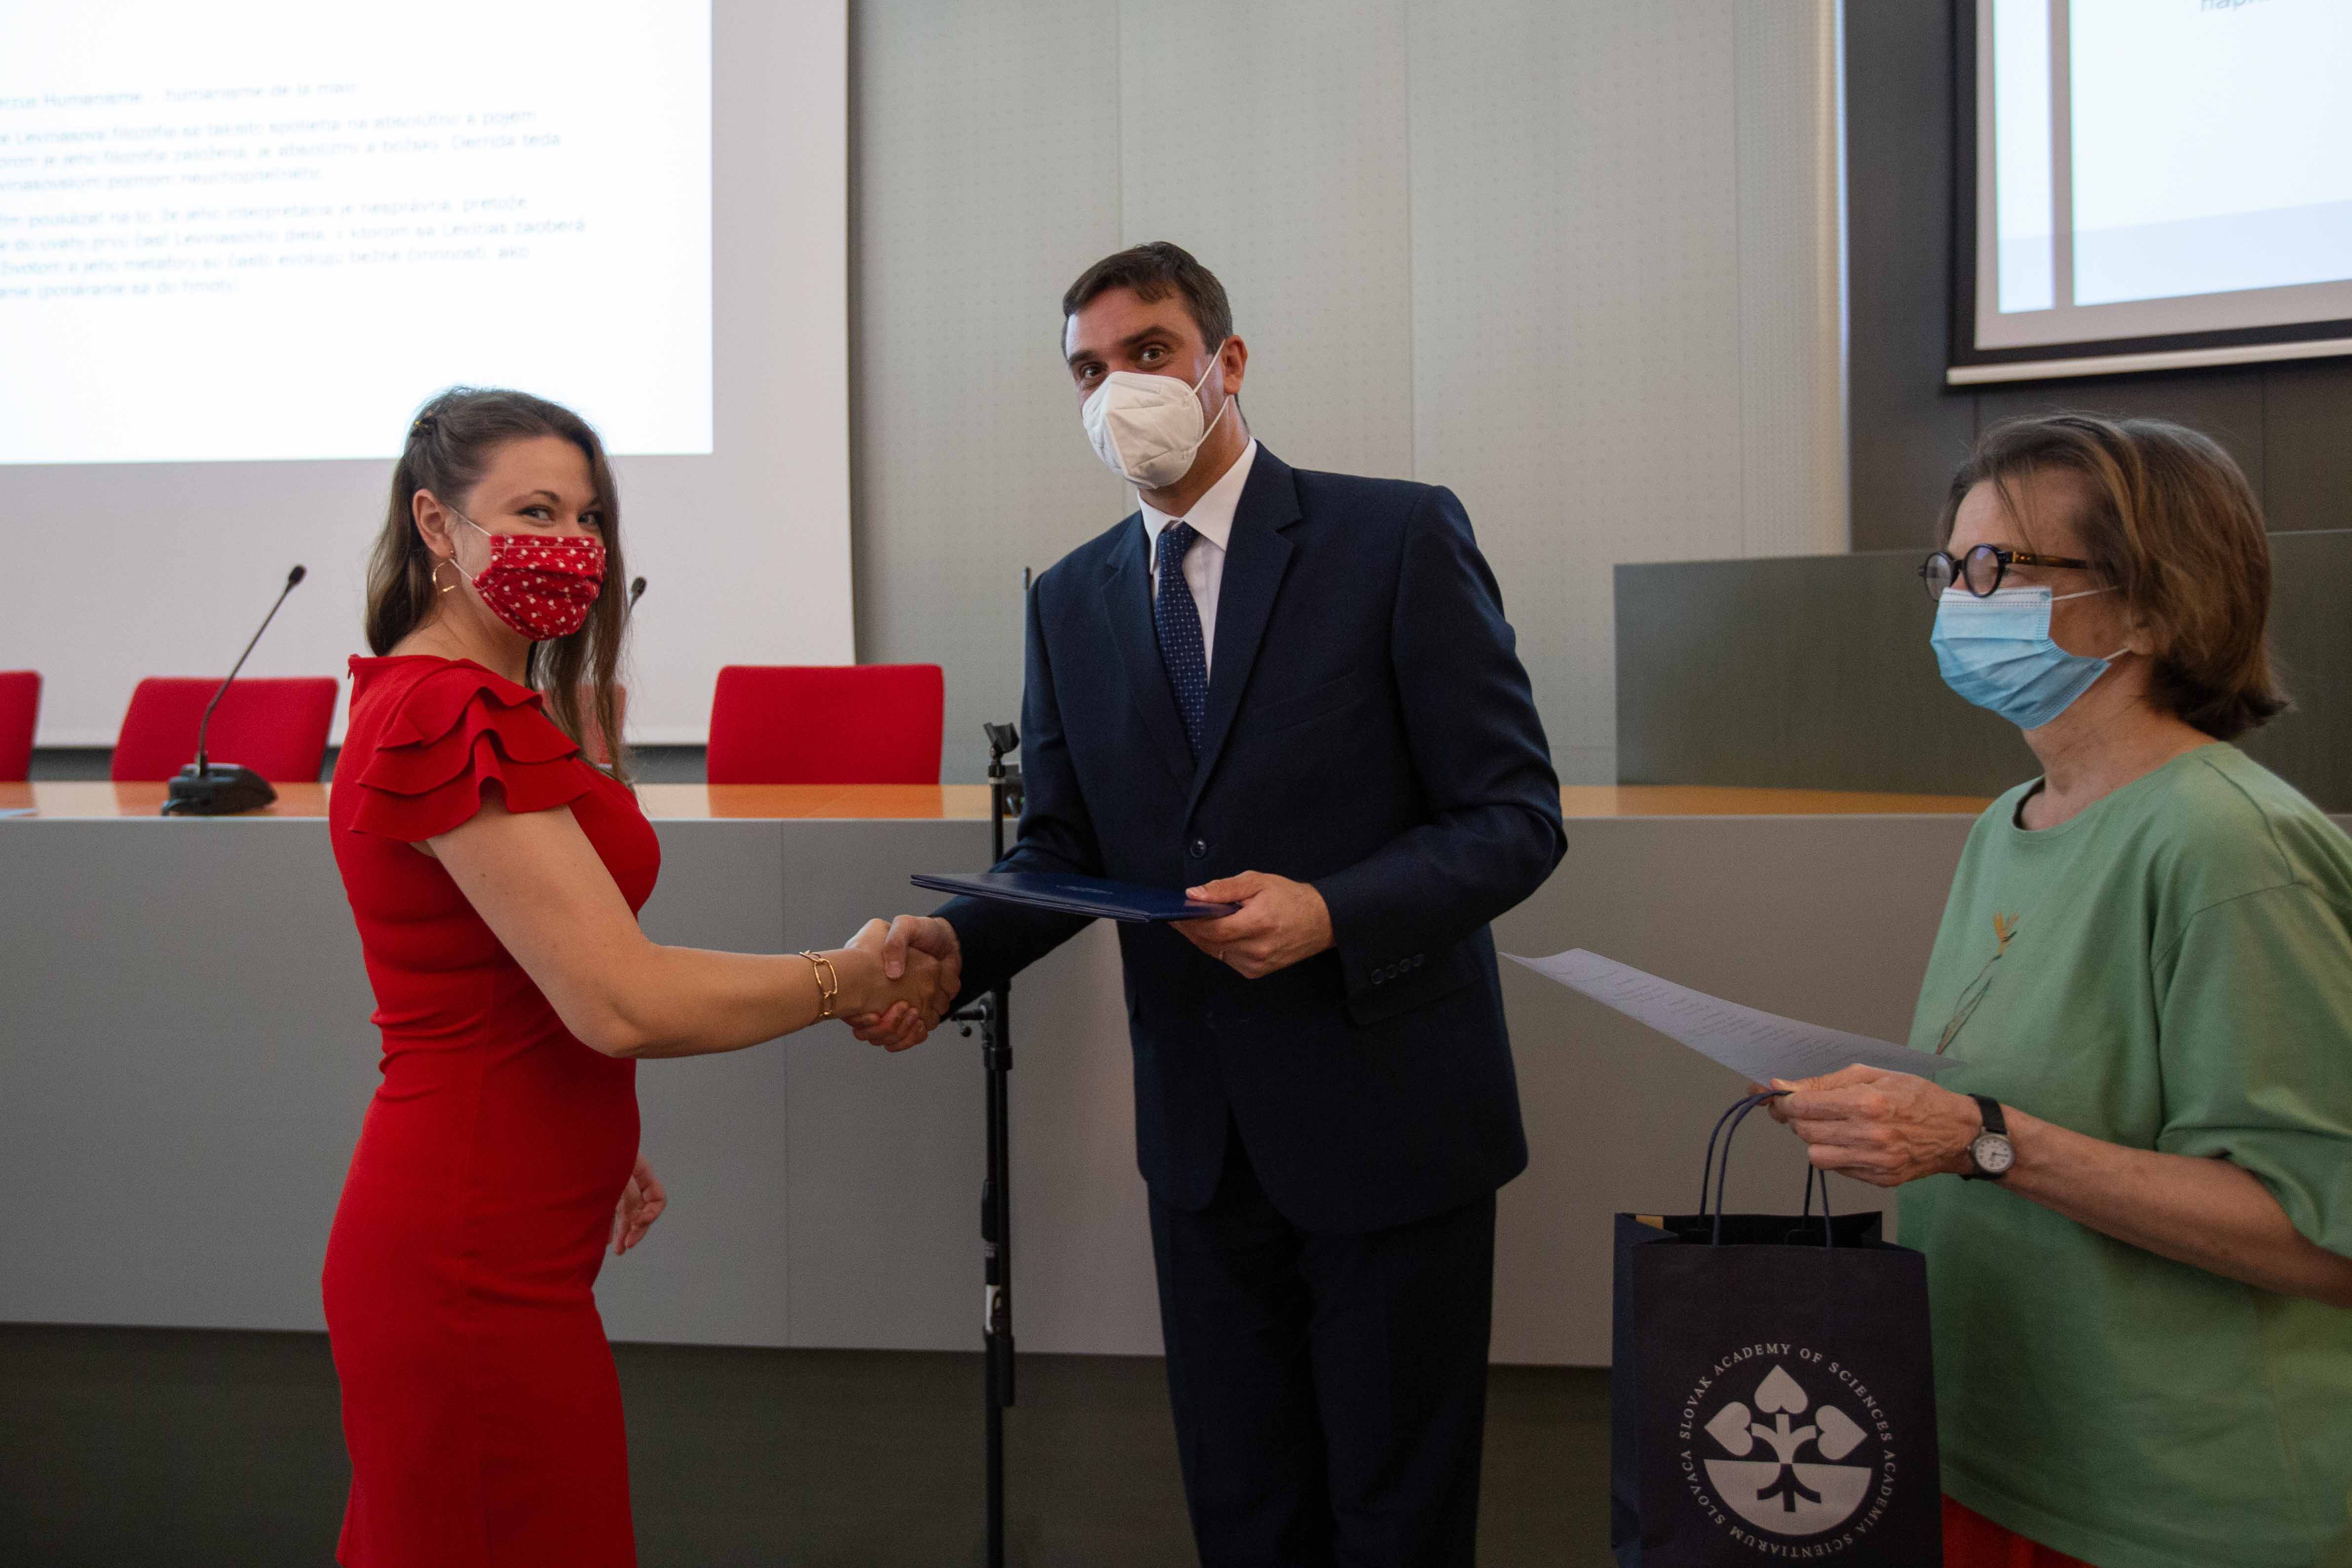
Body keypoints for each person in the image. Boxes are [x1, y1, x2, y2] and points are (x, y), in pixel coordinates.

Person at [850, 242, 1567, 1566]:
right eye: (1088, 370)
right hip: (1200, 1140)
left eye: (1148, 353)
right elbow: (1064, 845)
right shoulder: (1070, 599)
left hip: (1390, 1120)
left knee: (1398, 1521)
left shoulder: (1394, 538)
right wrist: (957, 947)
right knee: (1244, 1514)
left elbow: (1515, 820)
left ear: (1224, 363)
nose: (1117, 389)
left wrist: (1330, 910)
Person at [322, 387, 953, 1568]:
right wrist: (852, 977)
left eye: (590, 517)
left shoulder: (476, 701)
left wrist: (588, 1129)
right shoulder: (446, 712)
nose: (573, 544)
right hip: (468, 1261)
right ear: (436, 524)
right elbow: (621, 1000)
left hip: (510, 1222)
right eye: (536, 511)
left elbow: (510, 985)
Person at [1760, 414, 2352, 1568]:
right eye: (1949, 568)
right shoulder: (2012, 820)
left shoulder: (2230, 845)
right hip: (2001, 1447)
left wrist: (1982, 1140)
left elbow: (2321, 1235)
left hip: (2176, 1502)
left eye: (1999, 568)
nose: (1959, 600)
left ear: (2154, 606)